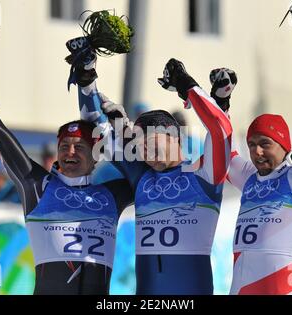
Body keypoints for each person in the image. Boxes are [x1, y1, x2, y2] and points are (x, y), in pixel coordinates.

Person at [0, 41, 133, 295]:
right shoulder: (38, 186)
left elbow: (146, 172)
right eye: (64, 146)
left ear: (96, 155)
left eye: (80, 147)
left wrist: (122, 128)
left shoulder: (112, 195)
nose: (70, 153)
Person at [68, 38, 233, 294]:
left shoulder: (204, 174)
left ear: (174, 137)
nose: (145, 152)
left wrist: (184, 83)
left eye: (151, 143)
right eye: (141, 147)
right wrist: (87, 77)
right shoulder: (143, 177)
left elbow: (220, 129)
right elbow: (95, 128)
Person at [209, 16, 292, 295]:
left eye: (265, 144)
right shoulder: (250, 179)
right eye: (252, 144)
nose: (257, 152)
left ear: (284, 145)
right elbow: (223, 149)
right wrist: (221, 104)